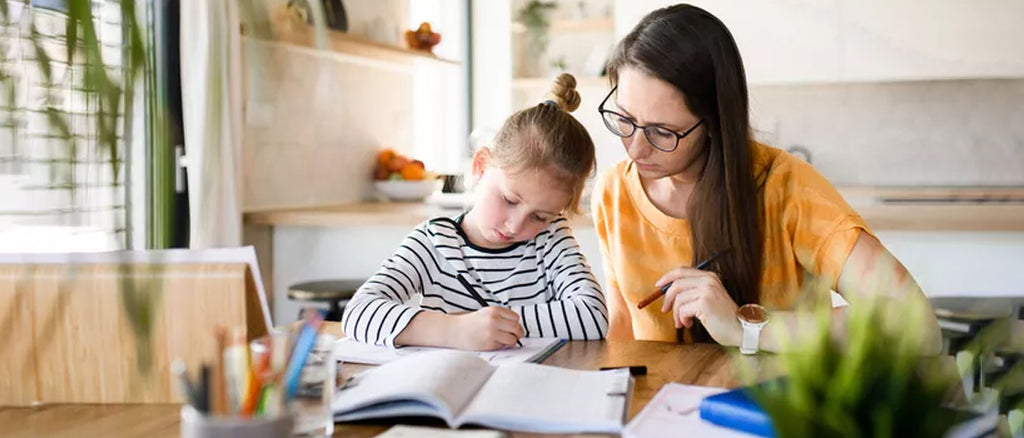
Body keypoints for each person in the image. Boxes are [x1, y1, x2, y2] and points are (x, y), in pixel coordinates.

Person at [590, 4, 941, 353]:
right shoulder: (612, 192)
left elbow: (916, 324)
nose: (635, 148)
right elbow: (622, 334)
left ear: (713, 123)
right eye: (624, 118)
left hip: (776, 404)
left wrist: (745, 327)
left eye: (662, 132)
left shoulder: (787, 188)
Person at [342, 74, 608, 351]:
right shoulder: (434, 242)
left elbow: (594, 316)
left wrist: (495, 325)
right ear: (481, 166)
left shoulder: (551, 238)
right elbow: (359, 313)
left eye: (540, 216)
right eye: (509, 200)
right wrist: (454, 330)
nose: (516, 226)